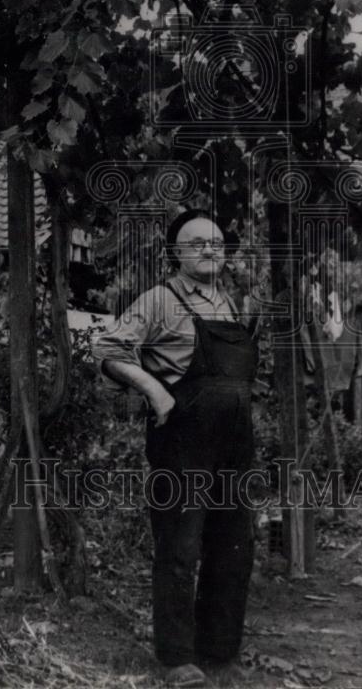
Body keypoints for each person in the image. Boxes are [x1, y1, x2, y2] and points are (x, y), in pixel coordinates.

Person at [93, 210, 257, 688]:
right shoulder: (160, 300)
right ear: (175, 253)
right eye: (197, 243)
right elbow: (107, 349)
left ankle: (219, 650)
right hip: (182, 441)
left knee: (233, 547)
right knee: (181, 547)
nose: (210, 249)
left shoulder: (232, 303)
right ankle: (177, 656)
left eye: (217, 242)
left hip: (234, 444)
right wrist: (155, 390)